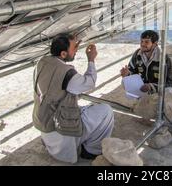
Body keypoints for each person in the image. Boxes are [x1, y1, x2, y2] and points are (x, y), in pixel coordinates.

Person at [32, 33, 114, 164]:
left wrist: (73, 43)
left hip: (44, 122)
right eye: (74, 47)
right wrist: (91, 59)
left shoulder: (42, 62)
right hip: (59, 130)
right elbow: (89, 83)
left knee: (84, 108)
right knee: (106, 111)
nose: (76, 50)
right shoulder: (66, 73)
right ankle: (91, 151)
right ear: (63, 54)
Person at [120, 30, 172, 95]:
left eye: (146, 42)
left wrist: (151, 87)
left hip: (156, 90)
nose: (143, 44)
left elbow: (170, 83)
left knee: (170, 90)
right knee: (123, 82)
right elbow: (133, 73)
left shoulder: (163, 58)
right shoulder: (137, 54)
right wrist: (127, 74)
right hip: (141, 87)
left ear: (155, 43)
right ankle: (138, 97)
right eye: (142, 41)